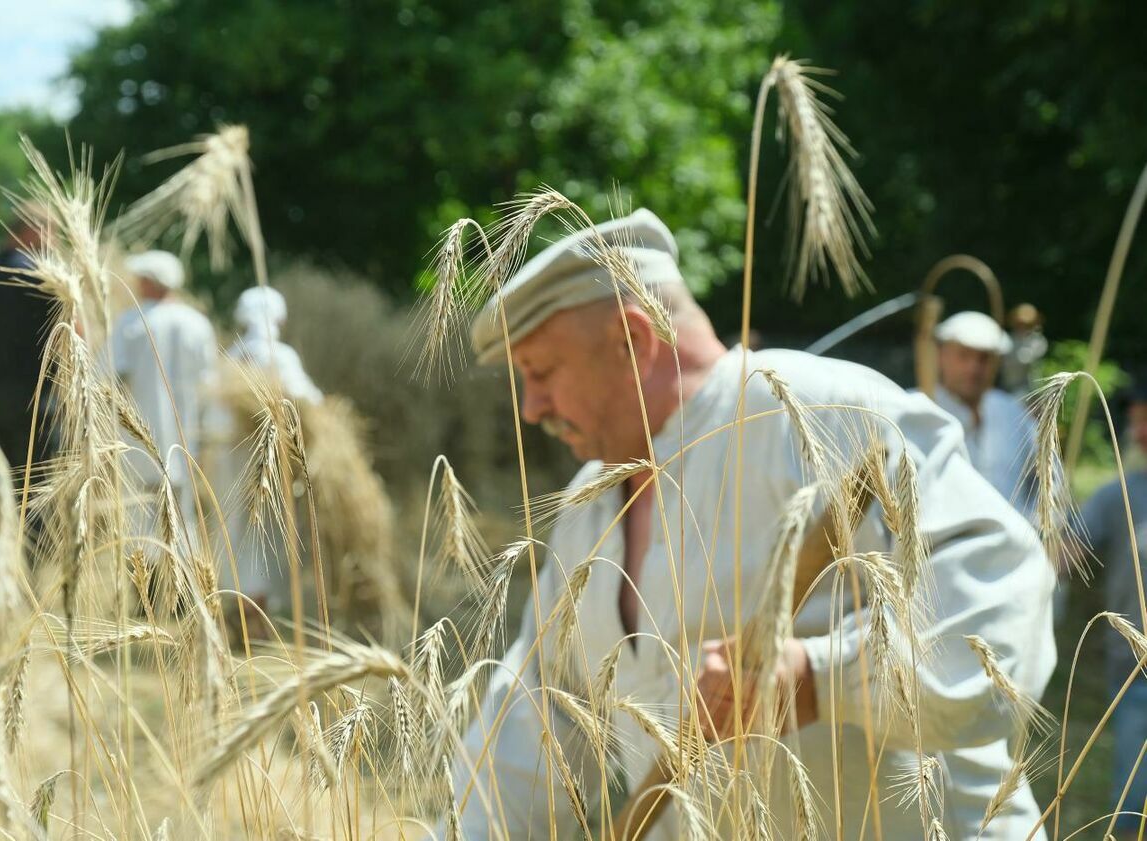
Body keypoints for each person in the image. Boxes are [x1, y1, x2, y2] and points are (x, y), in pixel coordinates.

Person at [451, 208, 1056, 839]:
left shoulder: (822, 415)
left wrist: (821, 678)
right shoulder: (586, 514)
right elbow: (537, 720)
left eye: (542, 372)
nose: (532, 407)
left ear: (634, 338)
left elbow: (999, 597)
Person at [217, 285, 322, 619]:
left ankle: (241, 604)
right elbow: (305, 399)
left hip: (231, 455)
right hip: (270, 457)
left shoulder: (232, 353)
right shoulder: (281, 355)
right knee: (269, 530)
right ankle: (257, 612)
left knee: (237, 528)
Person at [1072, 382, 1147, 838]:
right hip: (1134, 664)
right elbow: (1065, 550)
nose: (1142, 431)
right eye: (1137, 420)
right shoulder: (1117, 493)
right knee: (1133, 792)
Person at [110, 250, 218, 538]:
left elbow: (109, 375)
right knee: (182, 518)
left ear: (149, 282)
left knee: (140, 520)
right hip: (186, 439)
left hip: (138, 440)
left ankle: (147, 580)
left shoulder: (131, 323)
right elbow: (210, 381)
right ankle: (182, 577)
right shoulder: (198, 324)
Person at [931, 310, 1040, 523]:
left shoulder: (1012, 412)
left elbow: (1049, 484)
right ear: (941, 355)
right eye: (963, 356)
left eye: (984, 358)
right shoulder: (915, 408)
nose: (973, 368)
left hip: (1014, 550)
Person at [0, 216, 53, 471]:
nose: (51, 241)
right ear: (32, 229)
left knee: (6, 474)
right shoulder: (40, 276)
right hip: (36, 393)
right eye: (49, 232)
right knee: (37, 479)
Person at [1001, 303, 1049, 397]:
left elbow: (1024, 360)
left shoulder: (1038, 341)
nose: (1022, 327)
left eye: (1027, 324)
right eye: (1019, 324)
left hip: (1028, 389)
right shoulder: (1009, 339)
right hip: (1006, 387)